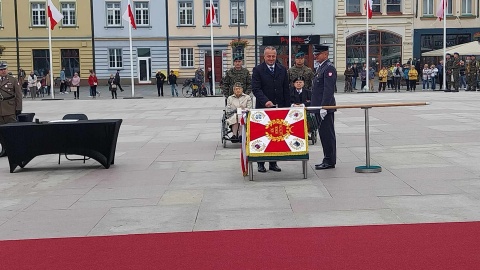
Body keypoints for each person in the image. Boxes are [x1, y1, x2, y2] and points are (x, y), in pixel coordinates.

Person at [251, 46, 290, 173]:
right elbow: (256, 89)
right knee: (263, 135)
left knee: (276, 134)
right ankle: (261, 163)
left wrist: (287, 107)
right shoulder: (257, 70)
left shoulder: (282, 69)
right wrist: (265, 100)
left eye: (273, 56)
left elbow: (286, 89)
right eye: (269, 56)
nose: (271, 58)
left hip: (278, 107)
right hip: (263, 108)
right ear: (264, 56)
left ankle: (273, 163)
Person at [311, 45, 336, 170]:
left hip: (324, 108)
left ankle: (329, 160)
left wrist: (324, 107)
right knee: (323, 134)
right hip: (319, 107)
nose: (315, 56)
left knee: (327, 135)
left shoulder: (328, 68)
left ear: (325, 54)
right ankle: (327, 158)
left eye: (318, 54)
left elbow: (328, 90)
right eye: (315, 54)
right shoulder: (321, 68)